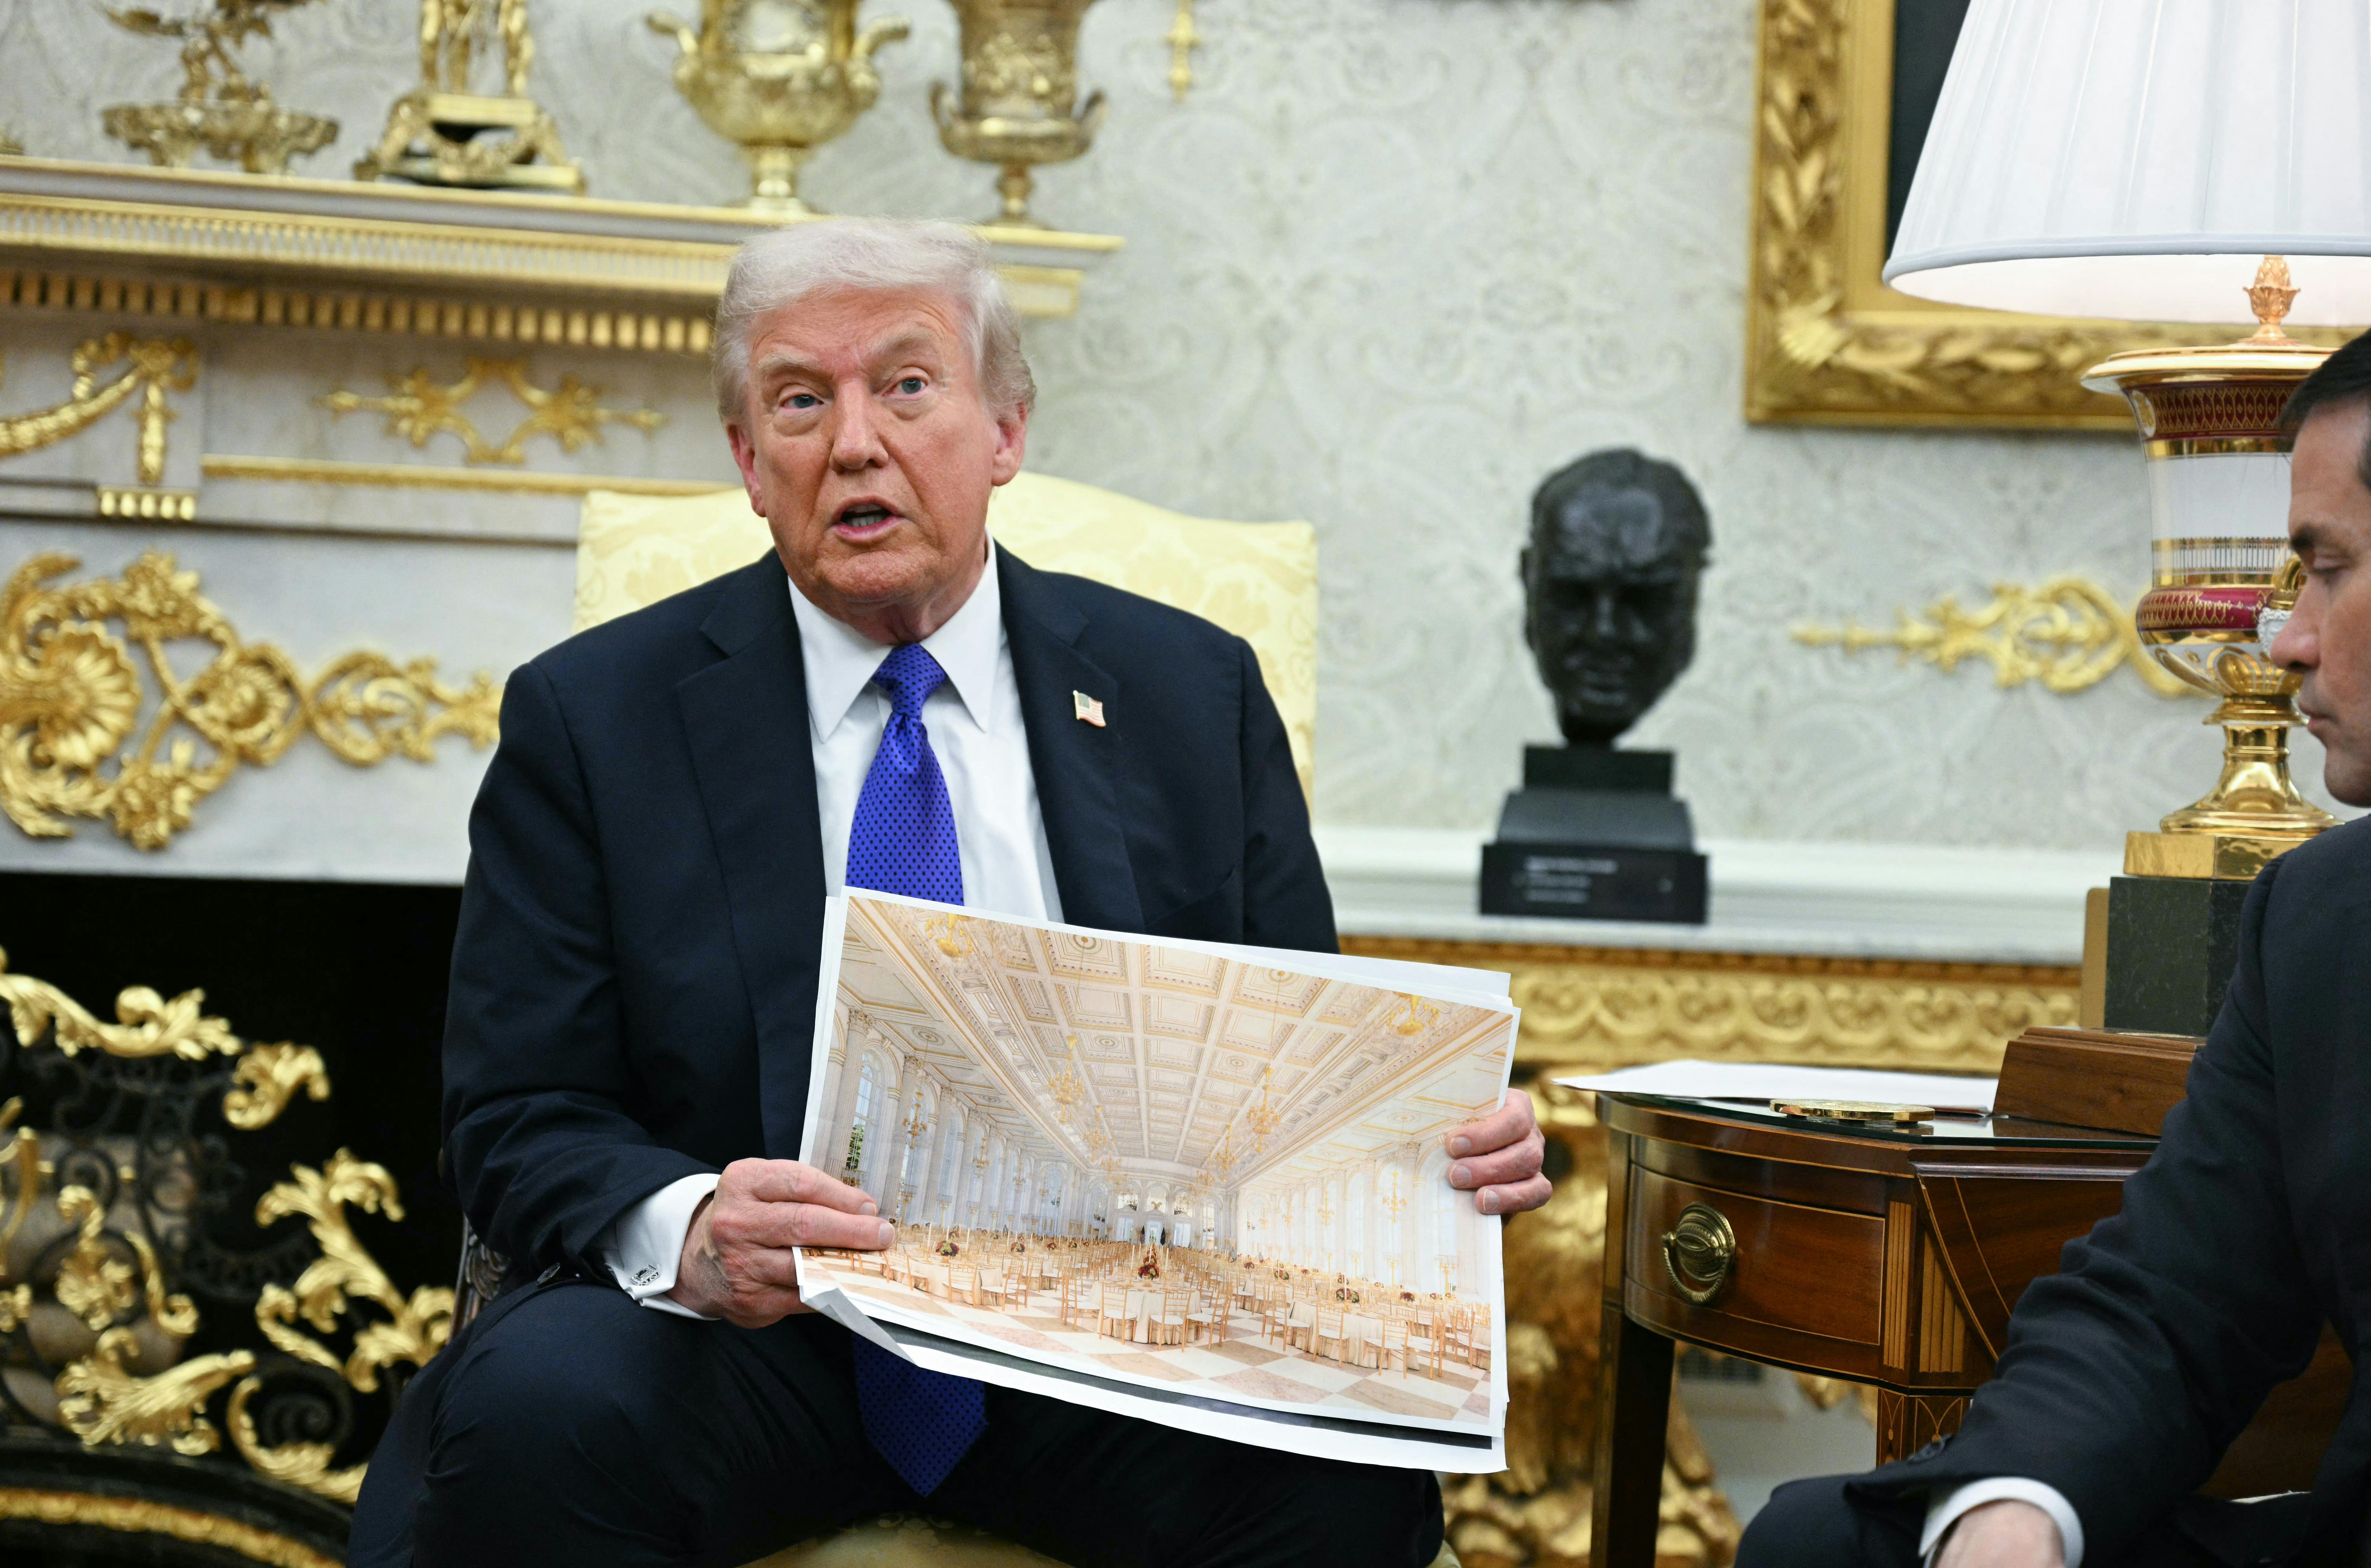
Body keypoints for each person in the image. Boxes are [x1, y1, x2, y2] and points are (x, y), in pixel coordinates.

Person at [347, 217, 1551, 1568]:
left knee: (1342, 1473)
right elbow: (515, 1108)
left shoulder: (1189, 697)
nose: (855, 442)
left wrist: (1427, 1147)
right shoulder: (592, 719)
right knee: (537, 1410)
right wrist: (689, 1228)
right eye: (801, 401)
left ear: (1006, 433)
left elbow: (1295, 1060)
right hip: (766, 1342)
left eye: (908, 387)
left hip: (1107, 1344)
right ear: (751, 463)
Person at [1737, 330, 2371, 1568]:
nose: (2287, 640)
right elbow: (2167, 1306)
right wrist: (2016, 1510)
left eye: (2330, 570)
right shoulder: (2319, 921)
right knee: (1825, 1547)